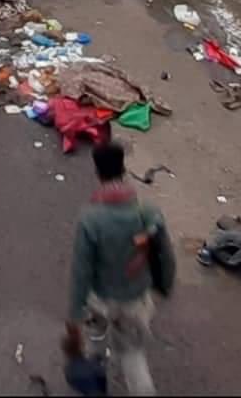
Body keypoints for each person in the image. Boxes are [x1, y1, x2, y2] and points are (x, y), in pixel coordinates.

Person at [66, 141, 175, 397]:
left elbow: (81, 271)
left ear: (97, 173)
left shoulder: (90, 219)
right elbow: (165, 254)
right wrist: (165, 284)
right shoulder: (146, 211)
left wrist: (73, 314)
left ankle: (95, 378)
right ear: (124, 170)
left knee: (95, 337)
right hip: (134, 299)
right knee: (133, 355)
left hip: (100, 299)